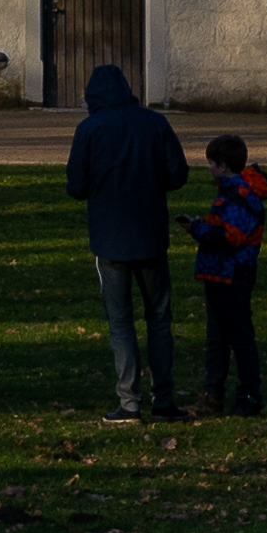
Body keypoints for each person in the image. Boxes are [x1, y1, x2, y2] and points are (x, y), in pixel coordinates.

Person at [65, 55, 189, 418]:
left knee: (120, 322)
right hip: (150, 234)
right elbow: (177, 175)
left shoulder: (89, 130)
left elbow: (76, 186)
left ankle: (128, 401)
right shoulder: (155, 123)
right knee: (159, 319)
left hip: (109, 237)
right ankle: (163, 400)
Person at [191, 131, 267, 416]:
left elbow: (231, 237)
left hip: (233, 275)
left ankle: (248, 396)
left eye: (211, 164)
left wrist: (198, 230)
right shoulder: (231, 194)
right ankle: (214, 394)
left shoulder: (240, 196)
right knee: (217, 339)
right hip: (219, 275)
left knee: (238, 339)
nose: (210, 169)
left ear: (223, 165)